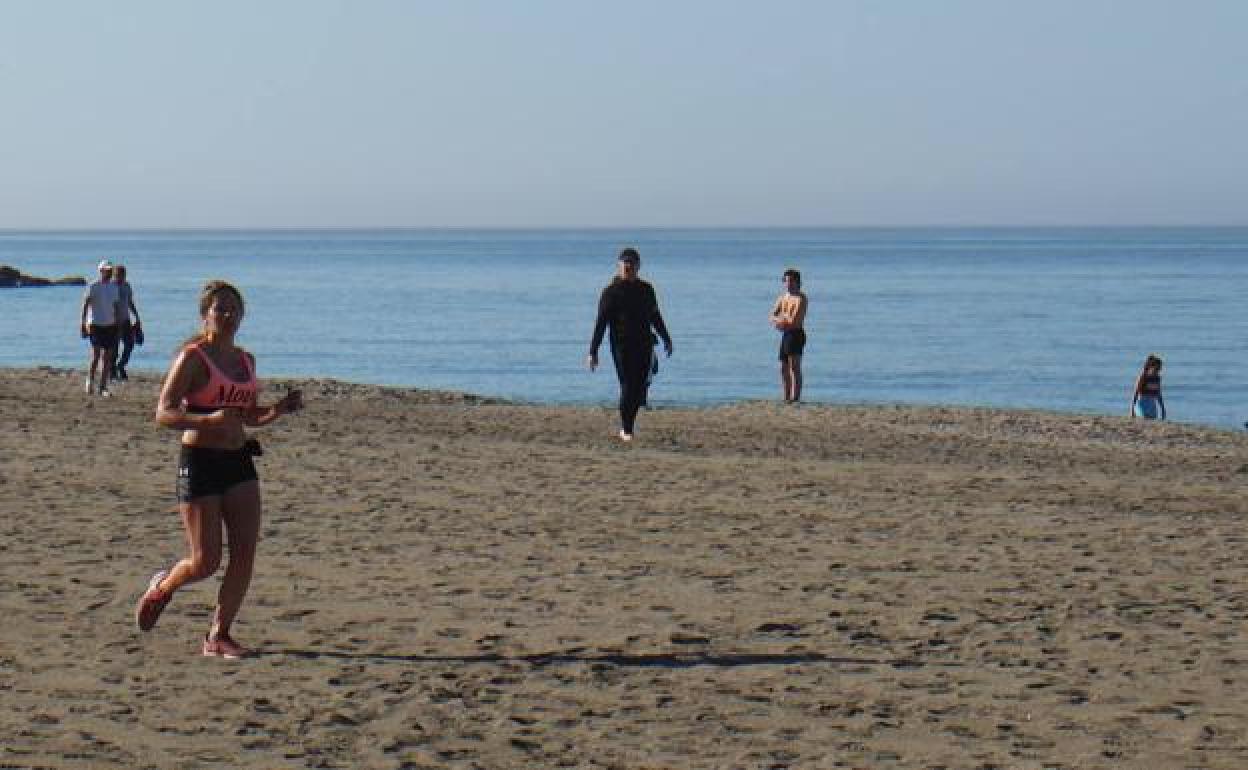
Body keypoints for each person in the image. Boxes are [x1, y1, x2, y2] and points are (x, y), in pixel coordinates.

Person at [135, 280, 304, 659]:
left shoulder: (246, 361)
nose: (227, 315)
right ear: (205, 315)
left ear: (242, 316)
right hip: (200, 463)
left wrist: (279, 409)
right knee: (206, 561)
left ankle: (219, 635)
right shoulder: (194, 357)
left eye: (233, 309)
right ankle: (163, 586)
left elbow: (249, 416)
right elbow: (163, 413)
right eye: (219, 309)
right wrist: (208, 420)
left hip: (239, 460)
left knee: (245, 552)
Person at [588, 247, 673, 442]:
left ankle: (629, 427)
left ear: (638, 267)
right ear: (619, 266)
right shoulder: (611, 293)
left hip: (644, 345)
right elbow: (601, 323)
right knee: (628, 386)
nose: (628, 267)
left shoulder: (646, 289)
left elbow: (655, 316)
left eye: (632, 264)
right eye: (625, 264)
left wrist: (666, 338)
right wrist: (593, 351)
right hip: (621, 346)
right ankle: (626, 430)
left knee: (639, 388)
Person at [79, 260, 121, 396]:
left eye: (110, 271)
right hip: (95, 324)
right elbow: (86, 304)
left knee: (107, 357)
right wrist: (83, 323)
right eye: (106, 270)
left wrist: (118, 323)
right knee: (96, 356)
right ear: (101, 271)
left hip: (110, 325)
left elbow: (115, 306)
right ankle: (90, 381)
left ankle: (103, 386)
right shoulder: (93, 286)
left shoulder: (114, 288)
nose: (108, 273)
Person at [770, 268, 808, 403]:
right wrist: (779, 321)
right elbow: (772, 315)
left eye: (791, 281)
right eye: (786, 281)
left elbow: (794, 321)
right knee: (783, 368)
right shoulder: (782, 297)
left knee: (794, 367)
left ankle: (795, 397)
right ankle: (786, 397)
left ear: (798, 282)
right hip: (786, 334)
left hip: (796, 334)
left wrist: (781, 321)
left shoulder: (801, 298)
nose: (788, 284)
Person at [112, 264, 142, 381]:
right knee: (114, 347)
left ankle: (121, 365)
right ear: (115, 275)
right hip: (113, 321)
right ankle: (112, 369)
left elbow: (130, 301)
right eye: (119, 275)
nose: (121, 277)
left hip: (126, 320)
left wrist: (136, 316)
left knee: (129, 344)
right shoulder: (111, 286)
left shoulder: (127, 286)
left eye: (123, 275)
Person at [1130, 354, 1166, 420]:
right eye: (1157, 368)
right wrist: (1132, 409)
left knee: (1152, 420)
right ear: (1151, 367)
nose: (1158, 370)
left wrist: (1163, 409)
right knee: (1144, 418)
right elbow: (1136, 393)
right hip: (1142, 403)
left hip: (1152, 404)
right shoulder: (1143, 377)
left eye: (1159, 368)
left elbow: (1158, 394)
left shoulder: (1157, 378)